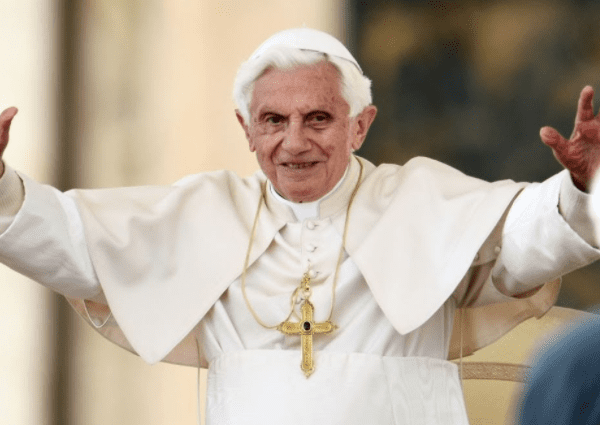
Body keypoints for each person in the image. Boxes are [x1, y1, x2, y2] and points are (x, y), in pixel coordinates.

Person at [0, 27, 600, 424]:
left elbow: (523, 241)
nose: (293, 142)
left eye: (317, 118)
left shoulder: (419, 202)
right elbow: (71, 240)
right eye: (273, 120)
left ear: (360, 125)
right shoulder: (204, 213)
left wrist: (579, 187)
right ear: (246, 128)